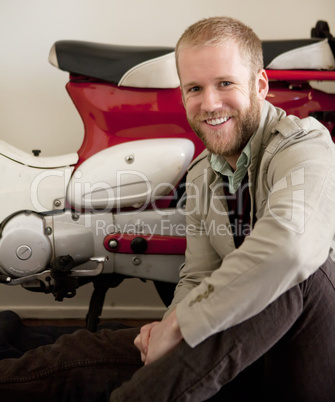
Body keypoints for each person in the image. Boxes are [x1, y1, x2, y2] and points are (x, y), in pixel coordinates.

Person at [0, 16, 335, 402]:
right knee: (79, 356)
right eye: (195, 88)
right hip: (236, 352)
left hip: (309, 360)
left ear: (260, 85)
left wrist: (180, 326)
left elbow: (290, 250)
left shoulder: (305, 146)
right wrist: (164, 331)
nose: (210, 103)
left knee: (293, 273)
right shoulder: (202, 176)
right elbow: (197, 276)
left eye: (225, 83)